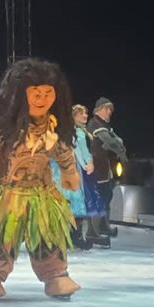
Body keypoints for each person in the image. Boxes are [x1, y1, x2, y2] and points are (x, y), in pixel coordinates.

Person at [0, 58, 81, 301]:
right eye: (36, 93)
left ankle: (55, 276)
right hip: (6, 193)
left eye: (47, 93)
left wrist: (69, 173)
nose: (42, 99)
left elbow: (63, 150)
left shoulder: (52, 128)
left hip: (41, 194)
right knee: (1, 239)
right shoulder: (3, 131)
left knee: (48, 235)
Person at [60, 104, 105, 249]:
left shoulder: (77, 132)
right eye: (81, 114)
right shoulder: (76, 133)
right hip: (73, 171)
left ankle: (73, 236)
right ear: (73, 117)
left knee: (76, 204)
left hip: (75, 170)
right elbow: (84, 152)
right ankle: (73, 236)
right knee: (76, 203)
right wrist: (89, 162)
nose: (85, 116)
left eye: (86, 113)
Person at [87, 97, 126, 240]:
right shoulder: (95, 123)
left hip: (103, 166)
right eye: (107, 109)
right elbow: (111, 141)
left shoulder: (104, 124)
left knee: (106, 195)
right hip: (95, 166)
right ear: (100, 109)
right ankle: (92, 231)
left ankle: (103, 225)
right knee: (99, 197)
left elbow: (118, 140)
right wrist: (119, 149)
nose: (110, 112)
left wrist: (117, 144)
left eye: (110, 109)